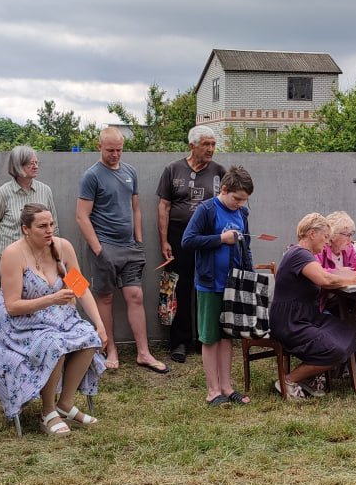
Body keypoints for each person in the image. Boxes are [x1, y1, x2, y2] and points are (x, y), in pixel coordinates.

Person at [0, 204, 107, 435]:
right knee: (53, 343)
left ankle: (65, 404)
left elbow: (80, 288)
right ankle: (47, 411)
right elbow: (12, 307)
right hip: (16, 326)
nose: (49, 230)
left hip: (54, 318)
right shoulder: (13, 254)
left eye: (51, 224)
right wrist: (52, 299)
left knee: (90, 336)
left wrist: (100, 324)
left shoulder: (63, 247)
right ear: (25, 229)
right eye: (42, 226)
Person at [76, 127, 169, 373]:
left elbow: (135, 207)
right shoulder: (91, 176)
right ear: (99, 146)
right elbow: (82, 216)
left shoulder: (130, 172)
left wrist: (138, 240)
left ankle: (143, 353)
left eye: (119, 150)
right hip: (104, 247)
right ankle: (111, 349)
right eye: (110, 150)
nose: (115, 154)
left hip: (130, 248)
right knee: (105, 298)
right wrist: (99, 250)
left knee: (135, 296)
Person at [180, 167, 254, 406]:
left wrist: (249, 276)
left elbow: (246, 246)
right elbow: (188, 241)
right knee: (210, 337)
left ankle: (226, 386)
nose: (240, 204)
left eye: (244, 200)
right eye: (237, 199)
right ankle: (212, 390)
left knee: (226, 336)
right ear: (224, 190)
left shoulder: (242, 213)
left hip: (234, 284)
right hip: (210, 284)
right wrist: (221, 239)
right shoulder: (207, 210)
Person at [269, 214, 356, 399]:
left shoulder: (306, 255)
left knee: (346, 332)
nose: (328, 242)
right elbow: (324, 279)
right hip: (290, 322)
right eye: (326, 236)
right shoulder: (299, 254)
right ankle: (288, 380)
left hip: (307, 317)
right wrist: (351, 279)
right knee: (335, 349)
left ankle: (308, 379)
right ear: (312, 233)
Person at [157, 127, 226, 363]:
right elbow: (164, 206)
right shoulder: (173, 169)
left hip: (209, 238)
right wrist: (164, 240)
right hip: (179, 236)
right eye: (206, 144)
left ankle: (204, 338)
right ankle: (180, 341)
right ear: (192, 146)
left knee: (206, 287)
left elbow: (227, 203)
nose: (211, 149)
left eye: (213, 144)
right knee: (180, 287)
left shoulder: (219, 171)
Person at [0, 144, 57, 268]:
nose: (36, 166)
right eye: (31, 163)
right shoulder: (3, 193)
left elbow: (54, 223)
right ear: (18, 165)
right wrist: (11, 240)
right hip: (11, 260)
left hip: (40, 257)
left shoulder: (45, 190)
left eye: (37, 162)